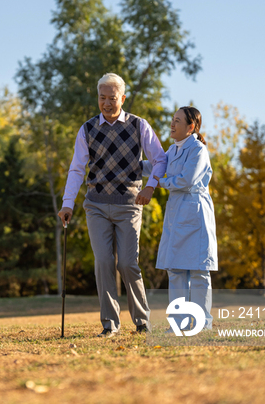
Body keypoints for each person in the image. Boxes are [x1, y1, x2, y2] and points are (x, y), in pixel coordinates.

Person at [58, 73, 167, 337]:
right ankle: (109, 324)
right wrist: (67, 203)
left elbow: (161, 159)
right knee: (103, 262)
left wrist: (150, 186)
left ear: (123, 98)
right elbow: (76, 169)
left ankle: (142, 321)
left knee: (128, 264)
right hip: (95, 205)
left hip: (129, 204)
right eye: (102, 98)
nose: (106, 103)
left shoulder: (139, 126)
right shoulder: (87, 129)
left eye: (112, 98)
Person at [144, 106, 217, 331]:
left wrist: (157, 183)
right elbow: (157, 166)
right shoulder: (172, 150)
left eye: (177, 121)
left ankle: (202, 323)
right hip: (176, 212)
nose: (172, 125)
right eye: (172, 120)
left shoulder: (197, 150)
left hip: (195, 212)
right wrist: (133, 167)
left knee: (197, 271)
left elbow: (186, 181)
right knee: (175, 269)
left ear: (191, 127)